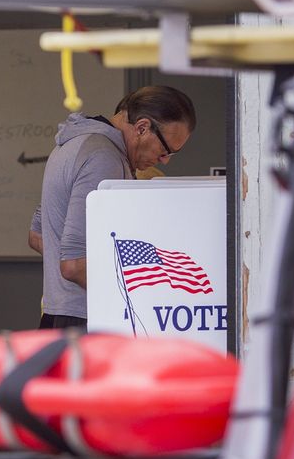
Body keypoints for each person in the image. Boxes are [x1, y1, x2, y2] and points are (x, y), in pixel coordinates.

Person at [29, 85, 196, 330]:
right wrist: (142, 299)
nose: (165, 161)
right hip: (87, 319)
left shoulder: (73, 143)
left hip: (60, 314)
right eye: (164, 151)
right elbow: (74, 265)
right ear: (142, 127)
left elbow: (37, 235)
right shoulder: (103, 158)